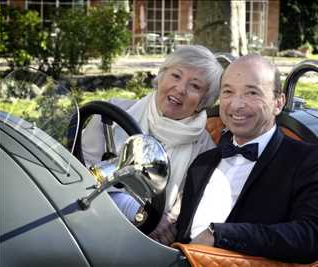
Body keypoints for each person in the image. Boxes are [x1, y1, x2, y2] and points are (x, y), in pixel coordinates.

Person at [175, 54, 318, 263]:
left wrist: (220, 235)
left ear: (278, 103)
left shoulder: (309, 160)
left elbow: (312, 237)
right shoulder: (203, 162)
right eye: (228, 92)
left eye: (252, 93)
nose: (236, 105)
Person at [82, 45, 223, 245]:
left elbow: (186, 210)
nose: (180, 89)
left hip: (149, 243)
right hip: (89, 221)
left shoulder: (206, 150)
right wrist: (133, 209)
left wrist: (163, 223)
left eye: (195, 86)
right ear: (161, 77)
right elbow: (80, 172)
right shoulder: (109, 115)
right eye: (176, 76)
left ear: (203, 102)